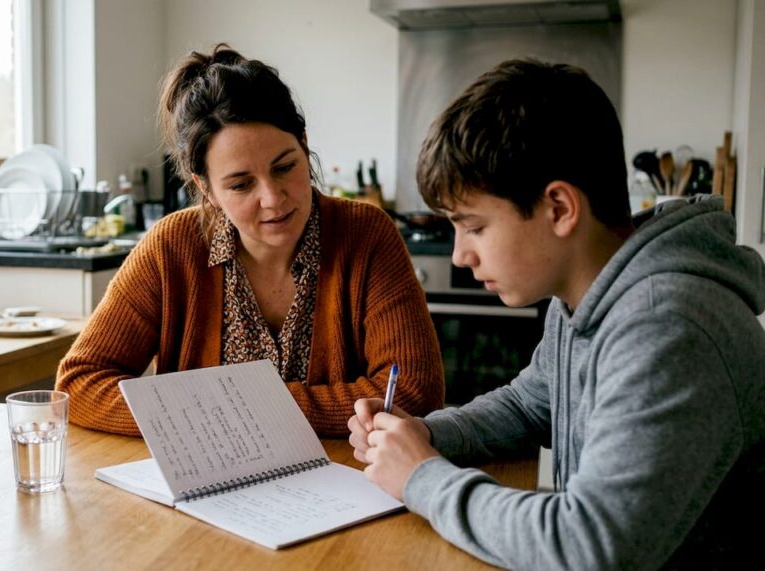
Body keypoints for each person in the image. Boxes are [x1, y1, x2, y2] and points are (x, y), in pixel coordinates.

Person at [349, 58, 765, 569]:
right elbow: (528, 406)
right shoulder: (583, 295)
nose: (459, 255)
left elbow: (588, 547)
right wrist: (425, 435)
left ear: (561, 209)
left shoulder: (666, 325)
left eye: (474, 227)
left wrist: (421, 476)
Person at [56, 45, 445, 437]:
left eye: (285, 167)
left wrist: (226, 410)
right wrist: (247, 412)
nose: (273, 198)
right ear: (206, 189)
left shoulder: (366, 234)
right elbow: (79, 384)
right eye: (241, 184)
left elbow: (413, 393)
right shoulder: (170, 247)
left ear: (304, 145)